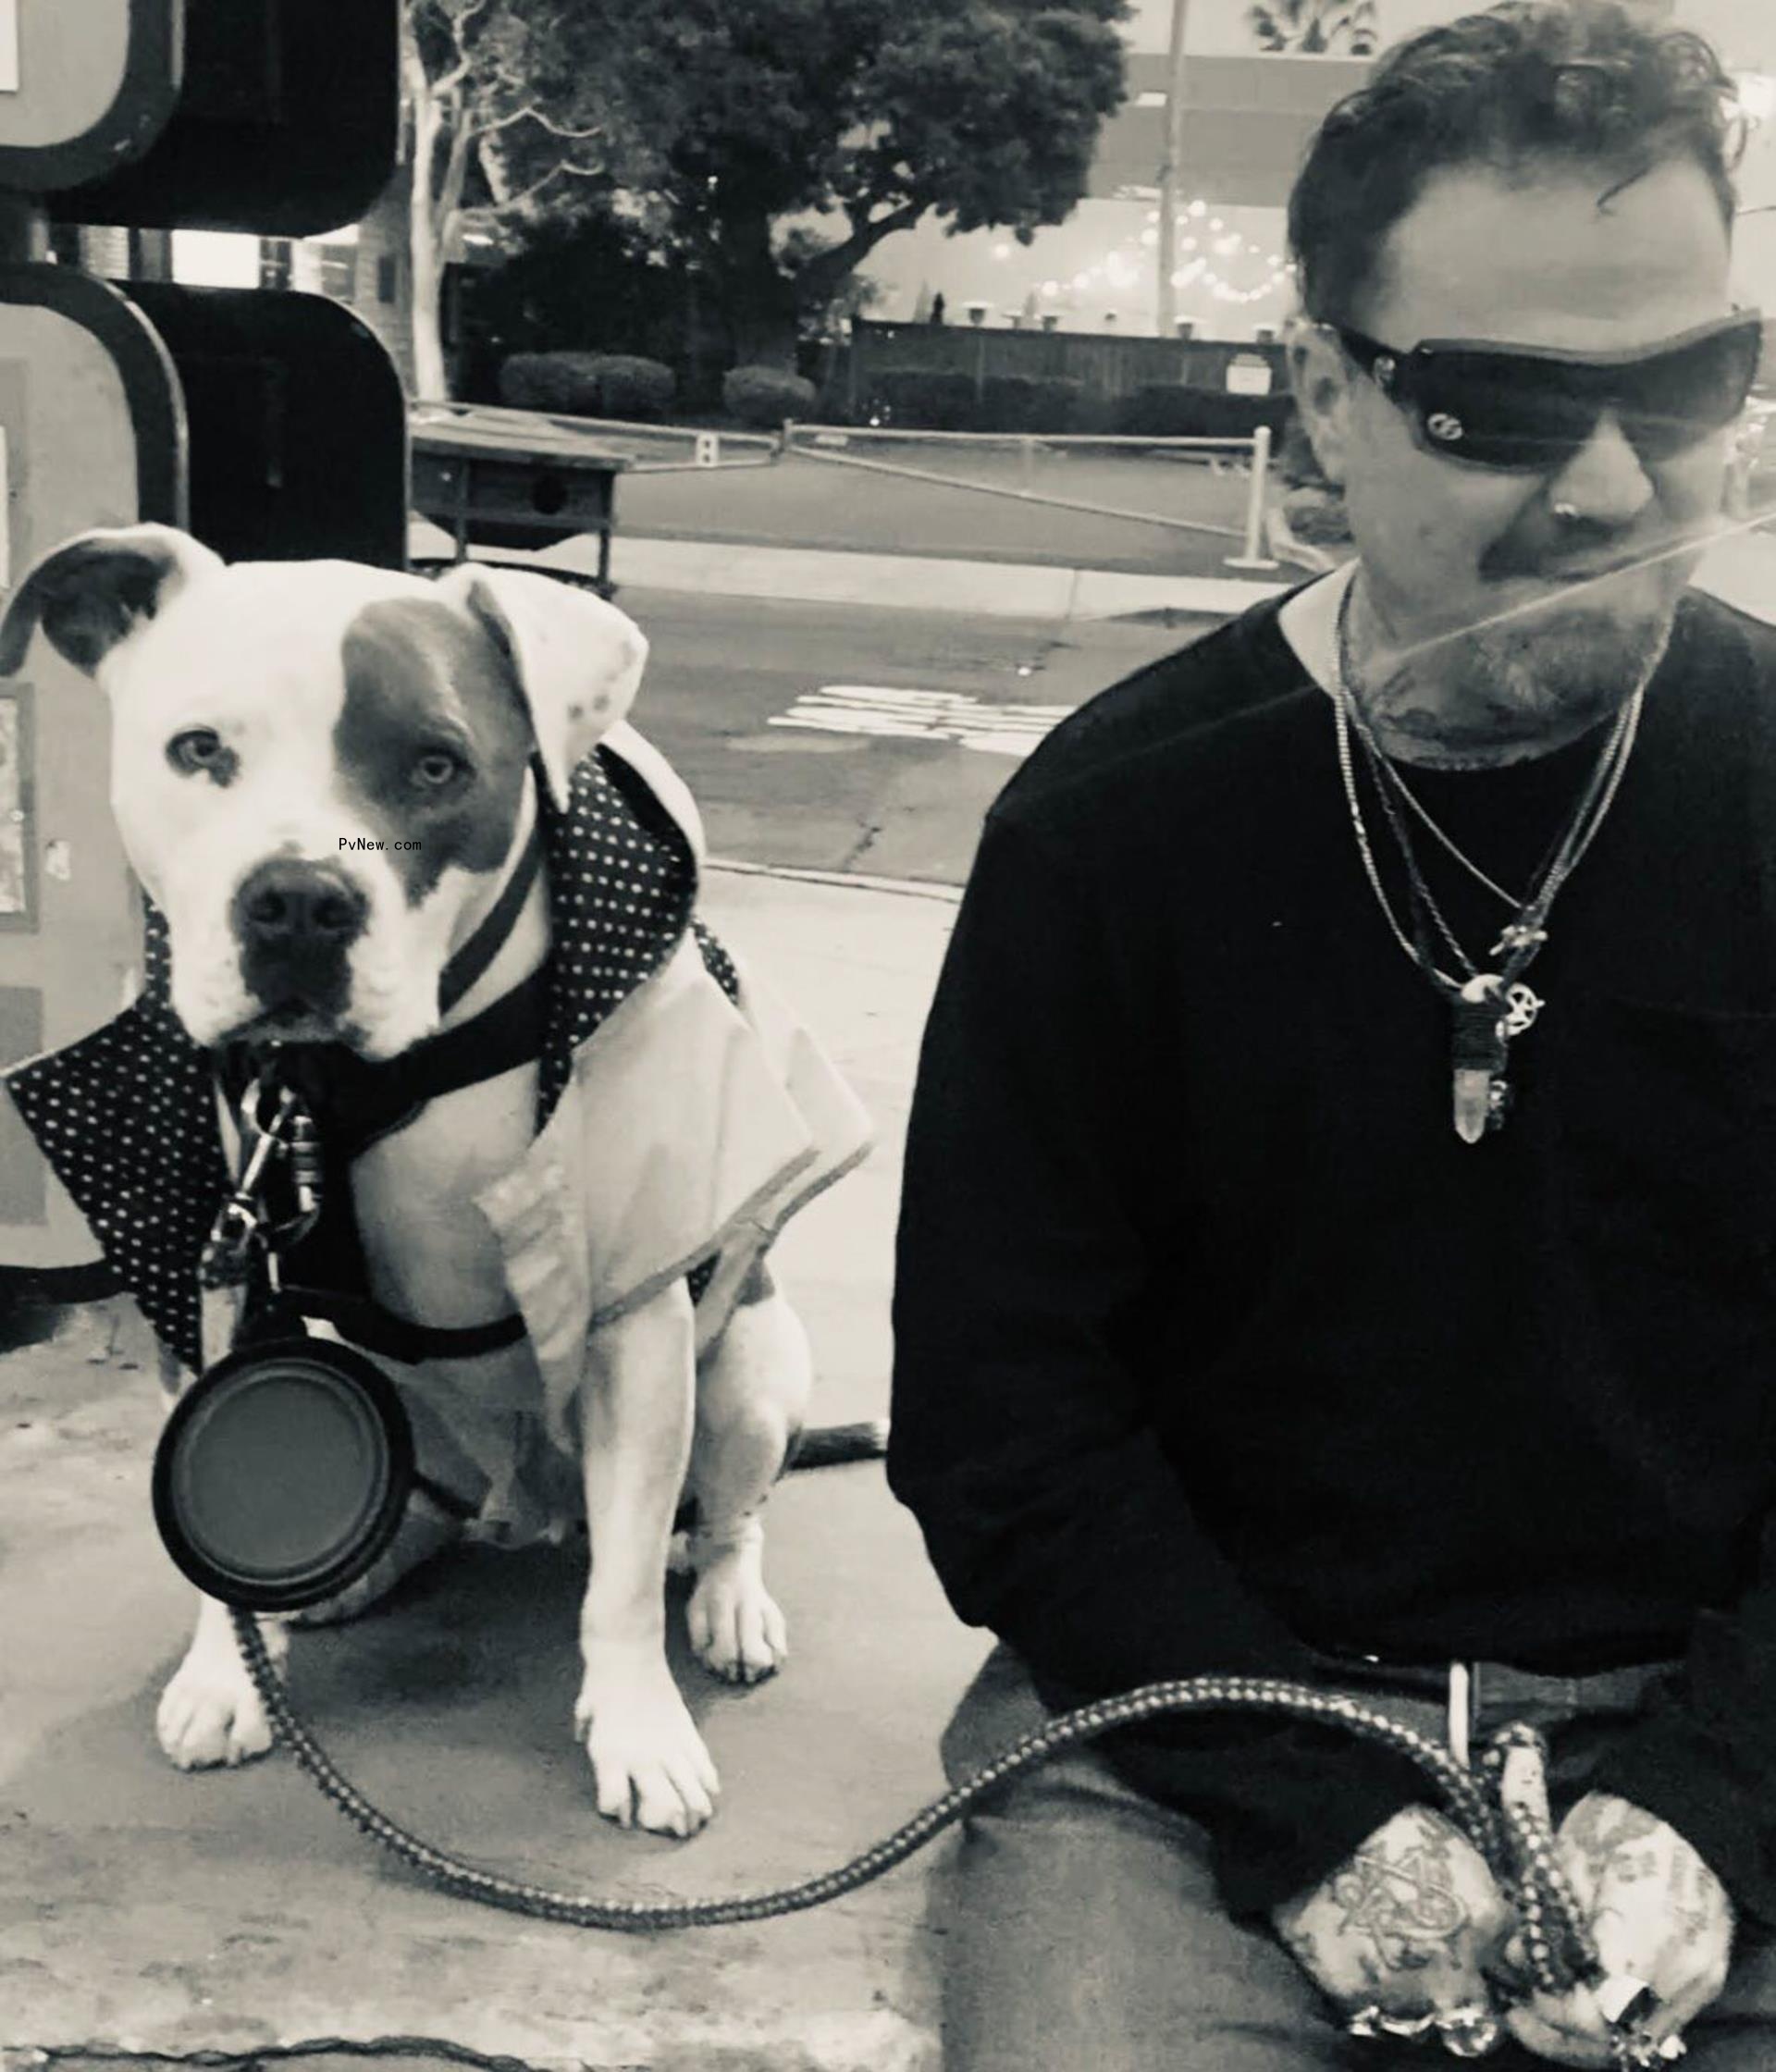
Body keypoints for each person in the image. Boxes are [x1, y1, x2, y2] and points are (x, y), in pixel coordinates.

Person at [886, 4, 1776, 2066]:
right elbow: (1006, 1429)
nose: (1615, 485)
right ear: (1320, 394)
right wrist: (1320, 1818)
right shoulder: (1114, 829)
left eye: (1692, 382)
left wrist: (1723, 1805)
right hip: (1204, 1726)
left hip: (1719, 1698)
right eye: (1494, 405)